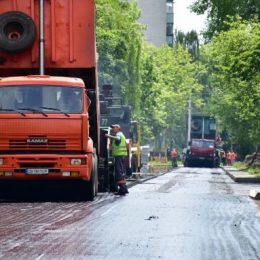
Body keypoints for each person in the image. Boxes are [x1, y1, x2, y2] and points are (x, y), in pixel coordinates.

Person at [105, 124, 129, 195]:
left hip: (119, 156)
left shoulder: (119, 134)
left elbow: (117, 139)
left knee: (119, 172)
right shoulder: (121, 135)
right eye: (112, 127)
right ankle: (124, 188)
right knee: (121, 172)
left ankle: (122, 189)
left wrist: (108, 136)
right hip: (121, 156)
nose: (113, 129)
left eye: (114, 127)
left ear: (118, 128)